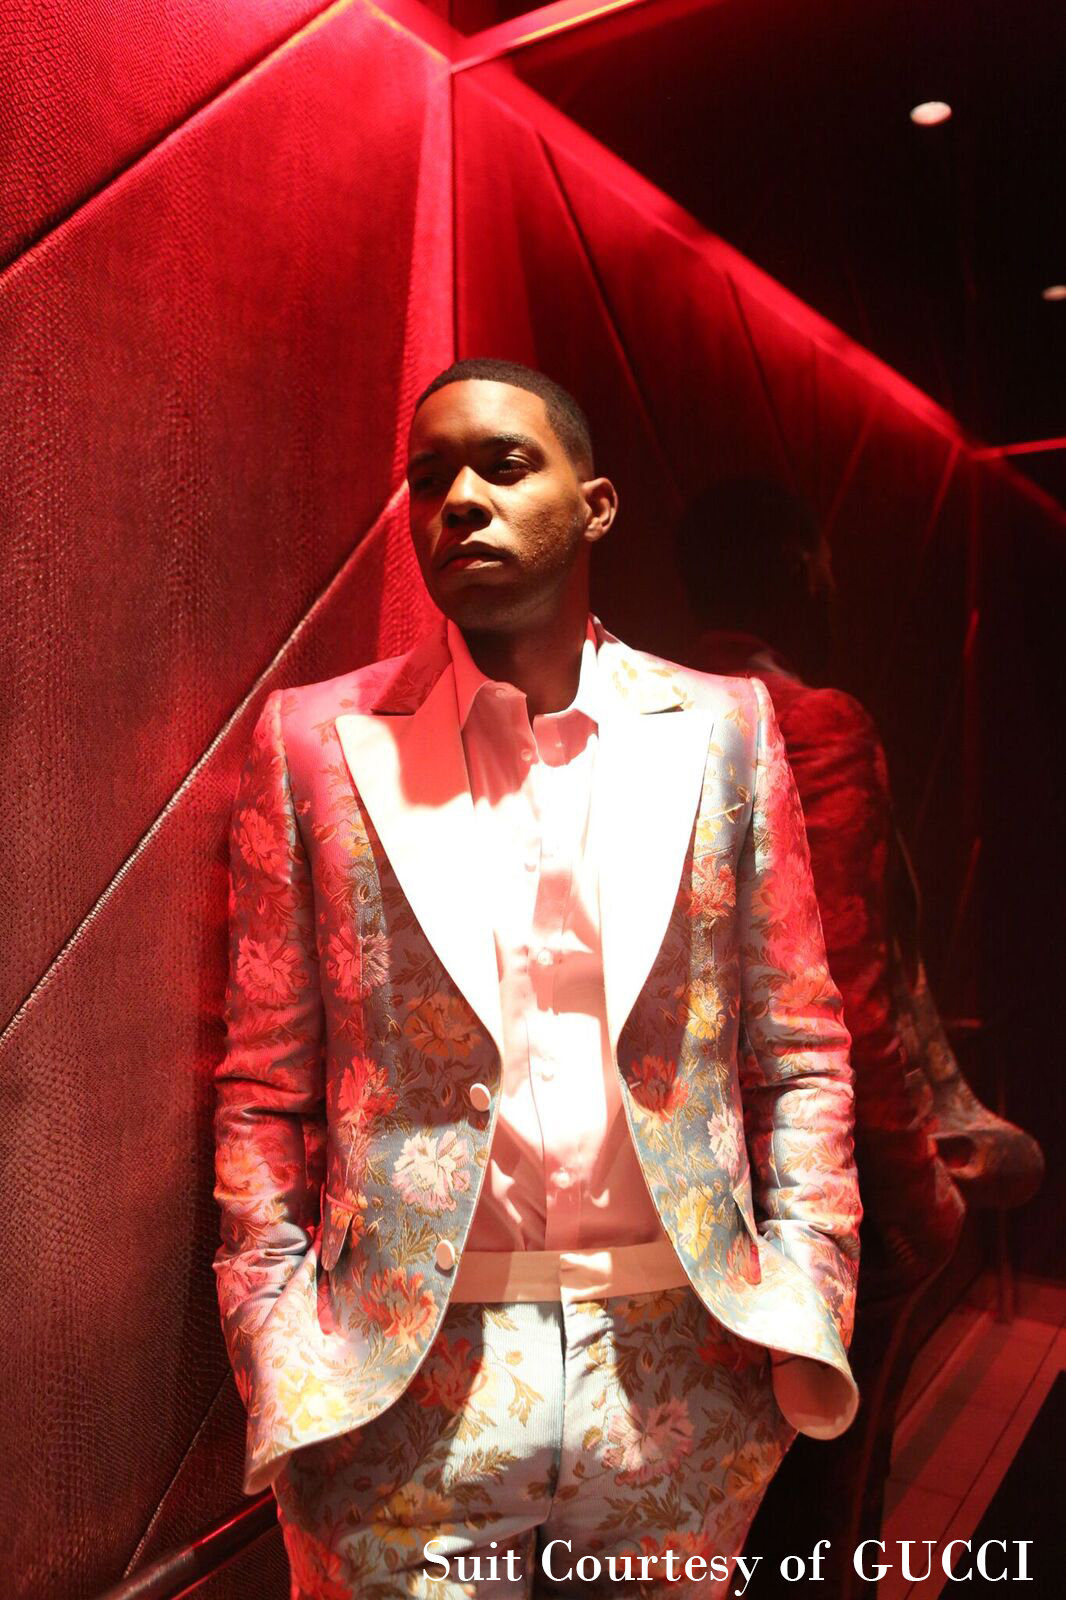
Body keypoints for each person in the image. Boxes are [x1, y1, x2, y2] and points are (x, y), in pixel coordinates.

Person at [212, 364, 862, 1600]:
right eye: (429, 478)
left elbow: (800, 1049)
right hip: (397, 1392)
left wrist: (803, 1291)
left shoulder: (725, 728)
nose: (458, 499)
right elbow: (263, 1087)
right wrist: (280, 1349)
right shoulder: (314, 741)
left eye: (503, 465)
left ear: (596, 504)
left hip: (680, 1376)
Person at [680, 477, 969, 1599]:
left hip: (682, 1201)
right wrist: (919, 1206)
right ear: (802, 567)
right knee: (823, 1526)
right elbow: (848, 985)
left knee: (712, 1527)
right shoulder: (816, 722)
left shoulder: (630, 714)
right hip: (815, 1211)